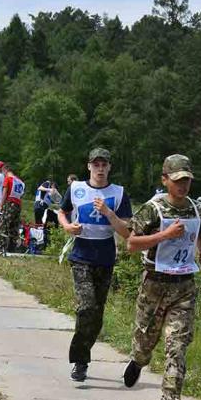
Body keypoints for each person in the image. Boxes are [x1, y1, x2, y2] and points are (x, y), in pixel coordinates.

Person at [125, 154, 201, 400]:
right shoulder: (153, 209)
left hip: (183, 286)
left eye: (186, 180)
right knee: (145, 340)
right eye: (177, 181)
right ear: (165, 180)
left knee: (177, 346)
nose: (182, 186)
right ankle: (138, 360)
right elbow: (132, 243)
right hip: (154, 284)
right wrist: (164, 236)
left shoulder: (196, 209)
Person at [58, 148, 132, 382]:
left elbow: (126, 230)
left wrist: (109, 213)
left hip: (105, 256)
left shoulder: (118, 193)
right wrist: (67, 227)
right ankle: (80, 360)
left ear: (109, 167)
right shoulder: (77, 188)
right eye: (96, 164)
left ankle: (83, 354)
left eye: (104, 164)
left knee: (96, 314)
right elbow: (62, 211)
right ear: (89, 166)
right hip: (81, 254)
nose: (100, 168)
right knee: (86, 306)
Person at [0, 164, 25, 253]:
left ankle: (2, 246)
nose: (3, 174)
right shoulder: (20, 182)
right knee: (14, 227)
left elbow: (5, 193)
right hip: (18, 205)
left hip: (10, 204)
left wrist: (1, 205)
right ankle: (11, 248)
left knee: (4, 225)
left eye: (3, 172)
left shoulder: (8, 179)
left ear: (5, 170)